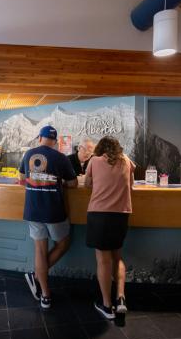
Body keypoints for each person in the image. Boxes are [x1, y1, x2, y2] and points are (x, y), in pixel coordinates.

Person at [19, 126, 78, 309]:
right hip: (54, 210)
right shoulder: (60, 157)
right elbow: (74, 183)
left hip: (33, 209)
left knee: (39, 251)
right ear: (55, 141)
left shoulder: (28, 154)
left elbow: (21, 180)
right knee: (63, 244)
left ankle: (45, 296)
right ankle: (36, 275)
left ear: (40, 138)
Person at [85, 136, 135, 319]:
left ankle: (107, 306)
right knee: (118, 257)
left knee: (103, 260)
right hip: (121, 215)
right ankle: (120, 298)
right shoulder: (127, 161)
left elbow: (87, 184)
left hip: (99, 214)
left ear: (99, 148)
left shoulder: (94, 161)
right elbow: (131, 184)